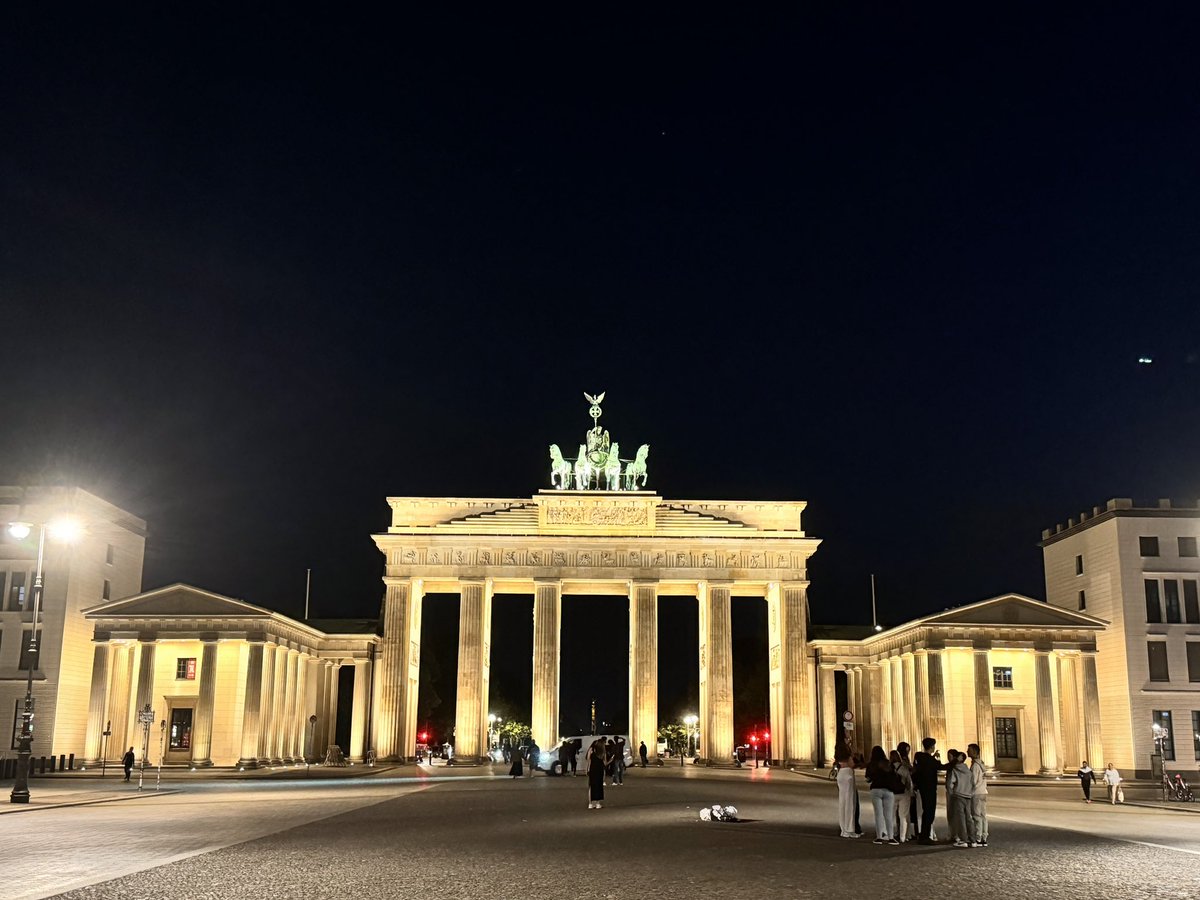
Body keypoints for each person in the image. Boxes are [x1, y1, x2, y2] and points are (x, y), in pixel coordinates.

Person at [911, 737, 943, 844]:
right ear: (932, 746)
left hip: (922, 788)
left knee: (926, 812)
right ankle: (925, 836)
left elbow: (927, 764)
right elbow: (941, 766)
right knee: (929, 813)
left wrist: (934, 758)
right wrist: (956, 761)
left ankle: (923, 835)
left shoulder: (920, 757)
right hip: (930, 788)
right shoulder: (930, 760)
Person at [864, 745, 898, 845]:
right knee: (889, 815)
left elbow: (868, 779)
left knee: (878, 814)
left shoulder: (871, 764)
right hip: (888, 790)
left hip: (876, 789)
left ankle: (879, 837)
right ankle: (891, 837)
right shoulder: (888, 763)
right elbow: (893, 776)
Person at [946, 750, 978, 847]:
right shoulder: (968, 770)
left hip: (958, 795)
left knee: (960, 818)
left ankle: (963, 840)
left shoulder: (954, 769)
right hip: (968, 796)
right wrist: (970, 792)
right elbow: (973, 783)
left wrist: (951, 793)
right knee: (969, 817)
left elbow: (950, 783)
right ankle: (973, 840)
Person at [967, 743, 989, 847]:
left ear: (974, 752)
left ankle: (978, 837)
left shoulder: (975, 766)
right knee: (983, 815)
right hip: (983, 791)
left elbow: (973, 781)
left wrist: (968, 791)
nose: (967, 751)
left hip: (976, 793)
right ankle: (984, 837)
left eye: (969, 750)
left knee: (976, 816)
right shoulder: (982, 764)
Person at [890, 748, 914, 842]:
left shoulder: (889, 768)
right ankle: (903, 837)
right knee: (903, 816)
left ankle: (891, 834)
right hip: (904, 793)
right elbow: (909, 782)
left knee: (891, 815)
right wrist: (911, 793)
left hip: (892, 793)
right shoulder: (903, 768)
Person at [836, 749, 860, 838]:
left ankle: (843, 829)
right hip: (847, 774)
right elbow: (852, 764)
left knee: (842, 802)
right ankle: (849, 829)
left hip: (841, 774)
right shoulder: (846, 751)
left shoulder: (838, 751)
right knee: (850, 803)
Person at [586, 737, 609, 809]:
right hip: (600, 770)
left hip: (592, 769)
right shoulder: (603, 752)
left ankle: (590, 803)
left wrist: (587, 768)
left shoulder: (592, 750)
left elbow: (588, 759)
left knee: (591, 786)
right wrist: (611, 760)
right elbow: (605, 763)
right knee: (599, 786)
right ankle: (598, 803)